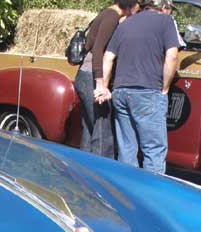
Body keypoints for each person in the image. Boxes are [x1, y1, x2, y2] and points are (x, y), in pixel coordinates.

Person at [96, 0, 180, 174]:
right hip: (148, 91)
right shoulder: (166, 21)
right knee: (153, 150)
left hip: (121, 92)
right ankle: (151, 196)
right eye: (170, 9)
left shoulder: (126, 23)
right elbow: (172, 57)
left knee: (126, 150)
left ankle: (126, 193)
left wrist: (104, 86)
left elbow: (108, 57)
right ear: (164, 7)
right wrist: (164, 88)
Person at [74, 0, 139, 158]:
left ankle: (85, 168)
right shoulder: (112, 17)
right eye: (139, 4)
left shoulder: (107, 13)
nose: (139, 8)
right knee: (102, 130)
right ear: (131, 3)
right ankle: (102, 173)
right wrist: (100, 84)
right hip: (91, 76)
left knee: (91, 128)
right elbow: (98, 49)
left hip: (85, 75)